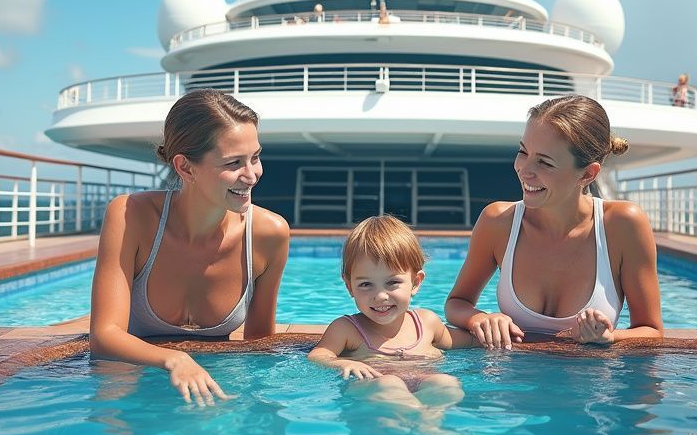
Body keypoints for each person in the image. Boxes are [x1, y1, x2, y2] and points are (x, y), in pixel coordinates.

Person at [90, 89, 290, 405]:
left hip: (217, 391)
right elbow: (104, 336)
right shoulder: (131, 217)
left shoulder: (269, 234)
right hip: (134, 388)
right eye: (234, 162)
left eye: (255, 157)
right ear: (185, 167)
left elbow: (259, 348)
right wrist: (174, 359)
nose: (252, 175)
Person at [446, 94, 662, 348]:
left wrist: (609, 338)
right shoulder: (498, 222)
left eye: (544, 162)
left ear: (588, 174)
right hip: (511, 385)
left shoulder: (622, 225)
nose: (524, 170)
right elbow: (457, 303)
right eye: (522, 152)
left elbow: (651, 330)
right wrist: (481, 319)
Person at [308, 215, 476, 407]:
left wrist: (496, 330)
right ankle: (419, 421)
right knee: (389, 383)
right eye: (365, 284)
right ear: (349, 287)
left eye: (392, 282)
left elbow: (468, 342)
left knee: (445, 382)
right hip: (372, 394)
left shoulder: (427, 323)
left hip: (424, 386)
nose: (380, 296)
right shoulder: (347, 329)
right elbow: (317, 356)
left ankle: (430, 430)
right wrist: (344, 363)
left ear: (415, 282)